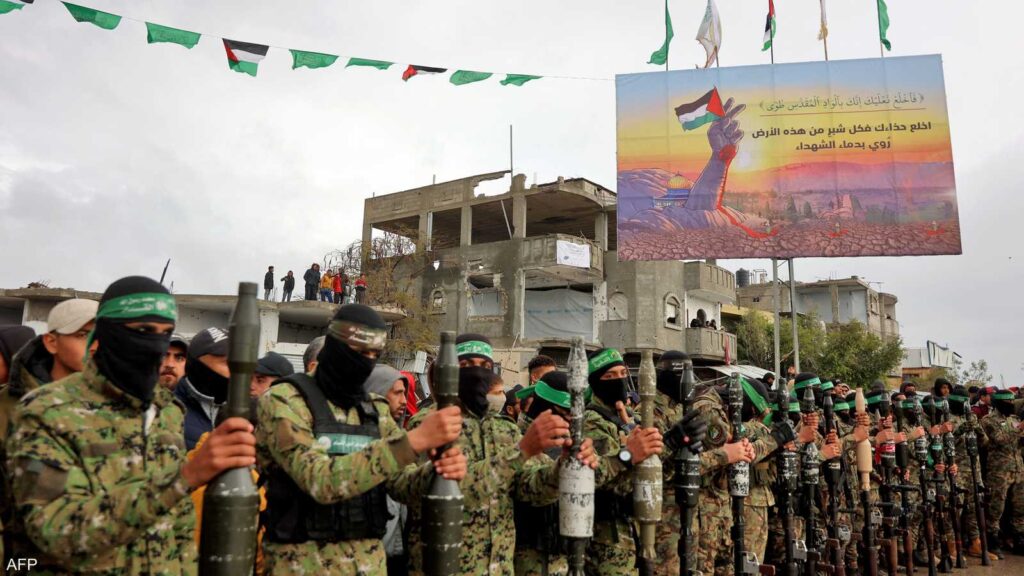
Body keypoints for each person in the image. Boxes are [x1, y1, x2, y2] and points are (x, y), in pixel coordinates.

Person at [5, 276, 257, 574]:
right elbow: (57, 532)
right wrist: (185, 477)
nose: (156, 344)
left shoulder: (166, 411)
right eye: (143, 331)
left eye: (165, 333)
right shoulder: (47, 412)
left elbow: (178, 527)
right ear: (106, 333)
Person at [256, 304, 467, 574]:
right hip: (301, 566)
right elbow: (318, 480)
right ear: (334, 346)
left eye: (374, 355)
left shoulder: (373, 410)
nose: (366, 361)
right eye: (358, 351)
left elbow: (400, 485)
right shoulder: (284, 400)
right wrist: (413, 442)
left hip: (369, 565)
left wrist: (435, 471)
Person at [396, 333, 599, 575]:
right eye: (466, 364)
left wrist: (564, 467)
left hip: (500, 567)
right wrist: (522, 451)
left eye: (485, 366)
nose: (477, 373)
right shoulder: (428, 425)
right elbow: (433, 492)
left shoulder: (503, 428)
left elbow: (529, 490)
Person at [0, 301, 98, 565]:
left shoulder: (125, 409)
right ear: (52, 342)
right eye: (83, 335)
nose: (95, 345)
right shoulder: (10, 407)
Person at [583, 347, 663, 575]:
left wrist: (672, 446)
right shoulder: (592, 421)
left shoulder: (632, 418)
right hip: (607, 538)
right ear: (595, 381)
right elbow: (610, 480)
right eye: (610, 376)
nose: (618, 380)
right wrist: (630, 454)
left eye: (622, 374)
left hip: (634, 530)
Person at [364, 364, 412, 575]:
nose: (404, 401)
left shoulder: (402, 437)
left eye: (404, 393)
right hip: (371, 555)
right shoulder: (363, 441)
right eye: (397, 393)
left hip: (399, 553)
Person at [980, 389, 1024, 555]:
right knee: (996, 506)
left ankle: (1019, 538)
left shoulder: (1014, 419)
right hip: (999, 471)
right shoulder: (988, 420)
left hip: (1018, 468)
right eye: (1008, 401)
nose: (1011, 404)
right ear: (998, 403)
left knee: (1020, 506)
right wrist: (1019, 429)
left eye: (1013, 401)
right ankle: (993, 539)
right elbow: (999, 439)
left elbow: (1018, 442)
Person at [174, 327, 230, 450]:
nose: (236, 371)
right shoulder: (168, 412)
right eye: (227, 363)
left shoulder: (244, 412)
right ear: (198, 363)